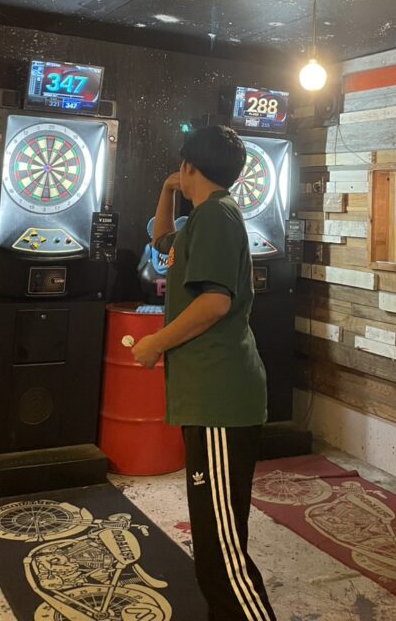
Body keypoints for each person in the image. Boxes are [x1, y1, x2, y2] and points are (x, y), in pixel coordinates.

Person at [130, 125, 276, 621]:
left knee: (222, 558)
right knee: (215, 550)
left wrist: (155, 343)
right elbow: (160, 241)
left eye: (180, 166)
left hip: (220, 401)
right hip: (209, 398)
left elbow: (215, 302)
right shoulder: (206, 216)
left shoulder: (216, 216)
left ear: (191, 165)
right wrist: (167, 189)